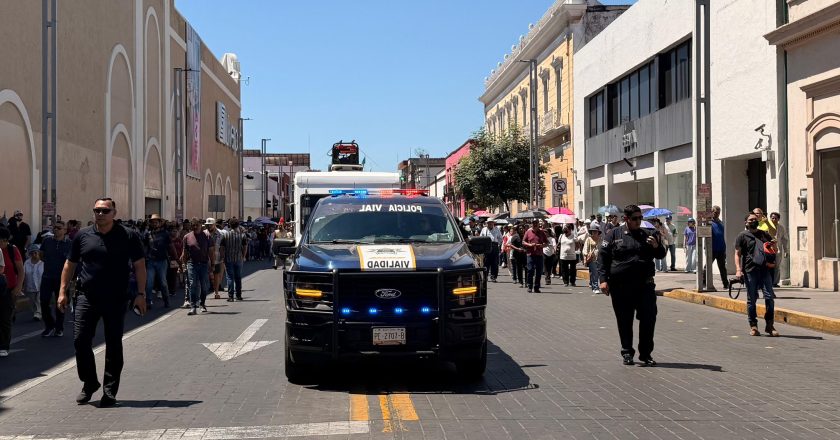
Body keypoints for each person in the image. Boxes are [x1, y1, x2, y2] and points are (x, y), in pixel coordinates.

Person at [57, 198, 146, 407]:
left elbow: (140, 265)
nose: (100, 214)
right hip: (86, 296)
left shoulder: (128, 235)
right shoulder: (83, 235)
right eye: (97, 210)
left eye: (105, 211)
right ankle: (89, 383)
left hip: (116, 298)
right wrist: (62, 291)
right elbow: (69, 265)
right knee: (80, 340)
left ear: (114, 213)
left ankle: (109, 391)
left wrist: (141, 294)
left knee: (113, 343)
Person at [598, 205, 666, 366]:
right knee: (624, 320)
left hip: (645, 285)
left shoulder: (649, 235)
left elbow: (661, 254)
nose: (638, 221)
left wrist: (656, 246)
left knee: (649, 319)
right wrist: (603, 280)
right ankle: (627, 352)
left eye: (640, 218)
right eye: (634, 218)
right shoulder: (613, 234)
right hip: (621, 286)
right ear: (626, 219)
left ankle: (646, 354)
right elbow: (603, 257)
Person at [734, 212, 779, 337]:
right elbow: (737, 254)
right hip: (750, 271)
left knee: (769, 297)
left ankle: (769, 325)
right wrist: (738, 269)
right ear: (746, 223)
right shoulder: (742, 236)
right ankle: (753, 325)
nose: (753, 221)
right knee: (751, 299)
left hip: (765, 270)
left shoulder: (764, 234)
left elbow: (774, 246)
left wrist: (773, 246)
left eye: (755, 219)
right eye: (751, 220)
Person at [39, 220, 72, 337]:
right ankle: (49, 325)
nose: (56, 230)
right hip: (47, 277)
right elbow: (41, 255)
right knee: (44, 302)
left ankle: (59, 327)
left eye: (59, 228)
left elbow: (73, 262)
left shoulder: (69, 244)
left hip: (62, 279)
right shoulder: (47, 241)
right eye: (55, 227)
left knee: (61, 304)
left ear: (65, 230)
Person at [180, 218, 214, 314]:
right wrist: (183, 264)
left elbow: (211, 252)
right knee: (192, 285)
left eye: (197, 225)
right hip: (191, 264)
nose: (195, 227)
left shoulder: (207, 236)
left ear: (201, 226)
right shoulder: (187, 237)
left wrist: (213, 264)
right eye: (193, 225)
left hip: (203, 264)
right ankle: (193, 306)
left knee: (204, 286)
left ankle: (202, 304)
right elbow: (185, 252)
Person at [0, 226, 24, 358]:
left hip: (9, 289)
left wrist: (18, 287)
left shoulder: (11, 250)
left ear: (4, 240)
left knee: (5, 318)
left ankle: (4, 346)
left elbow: (20, 270)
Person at [144, 214, 174, 309]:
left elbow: (171, 246)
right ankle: (148, 302)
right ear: (151, 223)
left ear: (160, 223)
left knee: (163, 282)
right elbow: (145, 247)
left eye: (156, 221)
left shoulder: (165, 234)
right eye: (153, 222)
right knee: (149, 283)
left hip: (162, 261)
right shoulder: (148, 234)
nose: (155, 223)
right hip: (151, 261)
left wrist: (176, 257)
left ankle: (166, 300)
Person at [221, 218, 247, 302]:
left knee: (230, 277)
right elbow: (245, 247)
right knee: (238, 277)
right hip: (239, 258)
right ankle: (238, 295)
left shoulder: (225, 235)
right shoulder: (242, 235)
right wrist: (243, 256)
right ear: (238, 225)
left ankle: (231, 296)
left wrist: (222, 257)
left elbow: (222, 248)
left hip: (228, 259)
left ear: (230, 225)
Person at [522, 219, 548, 293]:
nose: (534, 224)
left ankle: (536, 287)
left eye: (536, 223)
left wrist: (541, 245)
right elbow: (523, 242)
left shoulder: (542, 232)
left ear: (538, 224)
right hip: (530, 254)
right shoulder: (528, 232)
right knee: (530, 270)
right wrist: (530, 245)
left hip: (539, 254)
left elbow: (546, 243)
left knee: (539, 271)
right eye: (533, 223)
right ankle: (529, 286)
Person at [708, 205, 729, 290]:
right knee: (708, 266)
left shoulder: (721, 223)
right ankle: (704, 282)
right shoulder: (709, 223)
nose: (717, 214)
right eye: (716, 212)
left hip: (721, 248)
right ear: (712, 212)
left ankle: (726, 284)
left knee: (722, 267)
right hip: (712, 249)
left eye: (718, 213)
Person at [24, 244, 44, 321]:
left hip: (41, 285)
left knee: (38, 300)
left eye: (35, 253)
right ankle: (36, 312)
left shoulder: (42, 263)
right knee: (32, 301)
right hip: (30, 286)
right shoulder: (26, 263)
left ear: (38, 252)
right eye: (32, 253)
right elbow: (24, 273)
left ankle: (38, 314)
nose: (34, 255)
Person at [770, 212, 788, 287]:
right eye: (772, 218)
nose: (774, 219)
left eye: (776, 218)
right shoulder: (767, 226)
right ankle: (767, 281)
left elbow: (785, 239)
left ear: (778, 219)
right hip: (768, 249)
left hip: (778, 250)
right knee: (768, 266)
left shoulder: (781, 228)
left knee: (777, 266)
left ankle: (775, 282)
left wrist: (786, 250)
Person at [583, 226, 601, 293]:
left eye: (596, 231)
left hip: (599, 258)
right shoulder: (589, 239)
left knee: (594, 273)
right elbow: (585, 248)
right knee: (595, 272)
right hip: (592, 258)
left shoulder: (600, 239)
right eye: (593, 231)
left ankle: (592, 284)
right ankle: (596, 287)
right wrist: (585, 257)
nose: (594, 232)